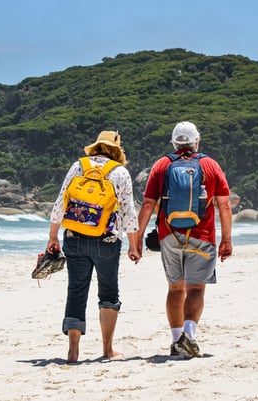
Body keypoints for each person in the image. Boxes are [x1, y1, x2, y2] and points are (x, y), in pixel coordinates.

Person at [136, 121, 233, 358]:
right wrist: (226, 240)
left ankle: (175, 340)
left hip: (169, 235)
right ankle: (189, 336)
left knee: (175, 289)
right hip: (203, 235)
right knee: (196, 288)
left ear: (174, 143)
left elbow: (148, 204)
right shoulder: (209, 164)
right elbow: (225, 204)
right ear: (196, 141)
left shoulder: (162, 165)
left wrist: (137, 239)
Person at [46, 130, 141, 363]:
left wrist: (53, 237)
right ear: (117, 149)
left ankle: (73, 351)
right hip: (107, 241)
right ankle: (107, 349)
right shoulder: (120, 172)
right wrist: (133, 245)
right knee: (108, 293)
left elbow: (61, 201)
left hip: (74, 237)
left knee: (76, 291)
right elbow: (128, 211)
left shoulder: (78, 166)